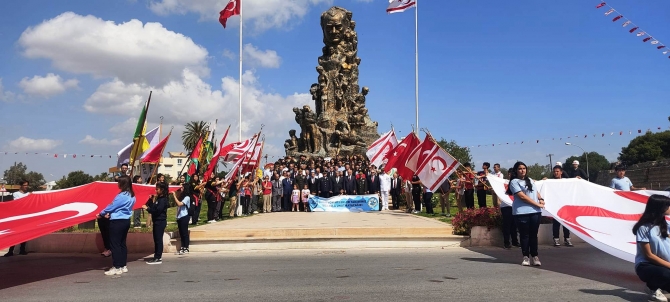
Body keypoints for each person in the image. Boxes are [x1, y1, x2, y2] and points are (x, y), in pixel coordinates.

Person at [506, 161, 545, 266]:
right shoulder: (514, 182)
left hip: (535, 212)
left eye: (524, 168)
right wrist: (537, 204)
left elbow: (535, 191)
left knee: (533, 235)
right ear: (516, 170)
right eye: (520, 168)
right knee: (524, 235)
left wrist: (540, 199)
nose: (522, 170)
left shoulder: (530, 180)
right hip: (521, 213)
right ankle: (526, 256)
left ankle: (535, 256)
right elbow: (522, 196)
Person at [633, 194, 670, 302]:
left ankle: (663, 286)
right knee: (666, 274)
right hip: (646, 265)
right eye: (668, 205)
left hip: (665, 264)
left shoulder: (666, 225)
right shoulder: (643, 228)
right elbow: (648, 255)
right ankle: (652, 287)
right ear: (660, 208)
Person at [98, 175, 135, 276]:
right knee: (122, 244)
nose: (117, 184)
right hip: (125, 220)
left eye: (119, 182)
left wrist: (101, 213)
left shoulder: (121, 196)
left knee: (115, 244)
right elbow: (120, 208)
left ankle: (116, 267)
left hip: (117, 221)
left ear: (123, 184)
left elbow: (112, 206)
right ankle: (123, 266)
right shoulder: (132, 196)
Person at [543, 165, 573, 247]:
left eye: (557, 171)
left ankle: (567, 239)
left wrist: (577, 179)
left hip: (564, 206)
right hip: (555, 207)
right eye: (554, 171)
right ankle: (556, 239)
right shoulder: (550, 181)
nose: (556, 173)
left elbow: (573, 183)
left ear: (561, 172)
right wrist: (544, 181)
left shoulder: (565, 181)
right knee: (556, 224)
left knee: (566, 224)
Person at [143, 182, 168, 264]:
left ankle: (158, 257)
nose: (156, 190)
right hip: (157, 222)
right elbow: (154, 206)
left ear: (162, 190)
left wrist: (147, 209)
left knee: (158, 240)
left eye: (157, 189)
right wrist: (150, 200)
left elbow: (157, 211)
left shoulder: (163, 200)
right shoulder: (159, 199)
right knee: (156, 239)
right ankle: (156, 256)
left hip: (160, 222)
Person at [4, 180, 30, 257]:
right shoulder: (16, 194)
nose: (26, 187)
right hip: (17, 217)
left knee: (25, 234)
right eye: (25, 185)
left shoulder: (28, 194)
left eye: (27, 185)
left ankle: (22, 250)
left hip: (25, 217)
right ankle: (11, 250)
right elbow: (16, 204)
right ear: (21, 186)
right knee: (14, 234)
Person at [501, 168, 519, 249]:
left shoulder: (517, 182)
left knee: (514, 225)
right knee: (507, 225)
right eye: (509, 173)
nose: (510, 175)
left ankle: (515, 241)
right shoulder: (503, 182)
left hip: (514, 206)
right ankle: (506, 242)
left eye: (512, 173)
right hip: (506, 206)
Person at [172, 182, 192, 255]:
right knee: (181, 233)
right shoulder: (182, 196)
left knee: (184, 233)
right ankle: (182, 247)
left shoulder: (187, 197)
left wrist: (174, 196)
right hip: (180, 217)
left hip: (184, 216)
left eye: (182, 188)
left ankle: (186, 247)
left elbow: (180, 204)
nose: (181, 189)